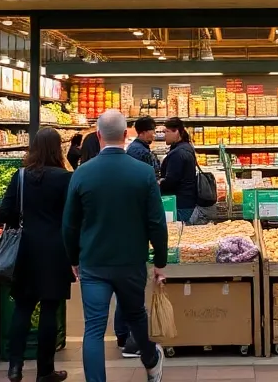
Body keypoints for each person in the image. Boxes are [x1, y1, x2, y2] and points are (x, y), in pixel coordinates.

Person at [63, 110, 166, 382]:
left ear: (98, 136)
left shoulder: (82, 174)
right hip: (131, 261)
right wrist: (160, 262)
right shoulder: (143, 173)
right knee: (136, 316)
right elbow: (156, 222)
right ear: (125, 135)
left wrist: (73, 258)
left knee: (94, 328)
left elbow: (69, 225)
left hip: (93, 262)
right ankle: (150, 360)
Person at [0, 128, 74, 382]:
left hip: (26, 249)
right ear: (57, 149)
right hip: (55, 250)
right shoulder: (65, 178)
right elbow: (72, 217)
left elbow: (5, 211)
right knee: (50, 310)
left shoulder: (20, 176)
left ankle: (15, 367)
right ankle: (45, 371)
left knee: (22, 307)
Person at [159, 117, 200, 223]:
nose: (165, 135)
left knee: (178, 233)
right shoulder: (186, 147)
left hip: (179, 203)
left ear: (176, 131)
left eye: (167, 132)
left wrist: (159, 183)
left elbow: (171, 181)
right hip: (187, 201)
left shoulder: (178, 153)